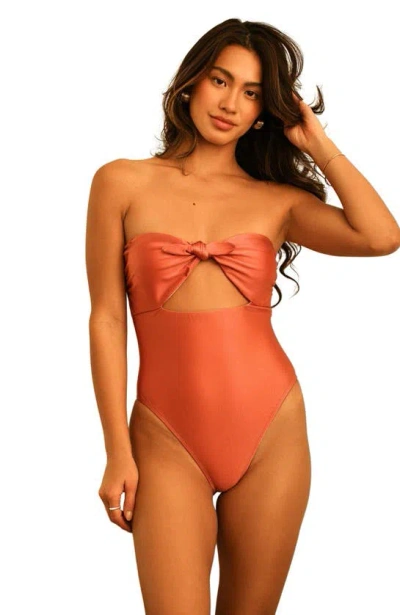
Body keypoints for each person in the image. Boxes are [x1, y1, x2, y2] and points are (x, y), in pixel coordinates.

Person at [85, 17, 400, 615]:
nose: (230, 103)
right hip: (163, 437)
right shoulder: (120, 182)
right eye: (220, 80)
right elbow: (106, 320)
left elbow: (382, 236)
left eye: (252, 92)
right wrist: (116, 450)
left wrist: (317, 144)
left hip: (271, 431)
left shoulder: (277, 202)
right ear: (190, 82)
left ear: (265, 111)